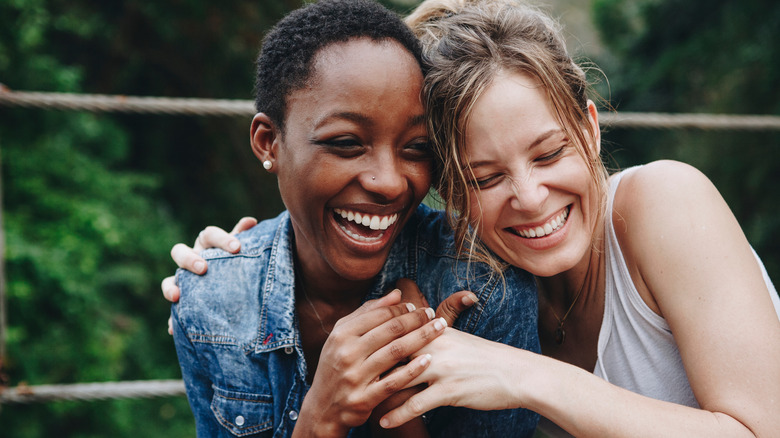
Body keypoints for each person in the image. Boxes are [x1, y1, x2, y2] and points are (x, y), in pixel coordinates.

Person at [370, 1, 780, 436]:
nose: (529, 198)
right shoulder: (485, 295)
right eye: (486, 178)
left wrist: (524, 376)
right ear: (451, 193)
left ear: (588, 128)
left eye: (549, 154)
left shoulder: (666, 201)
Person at [167, 1, 539, 437]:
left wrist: (402, 408)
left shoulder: (483, 286)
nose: (389, 183)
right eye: (346, 142)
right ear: (269, 142)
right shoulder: (211, 301)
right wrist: (319, 419)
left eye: (417, 147)